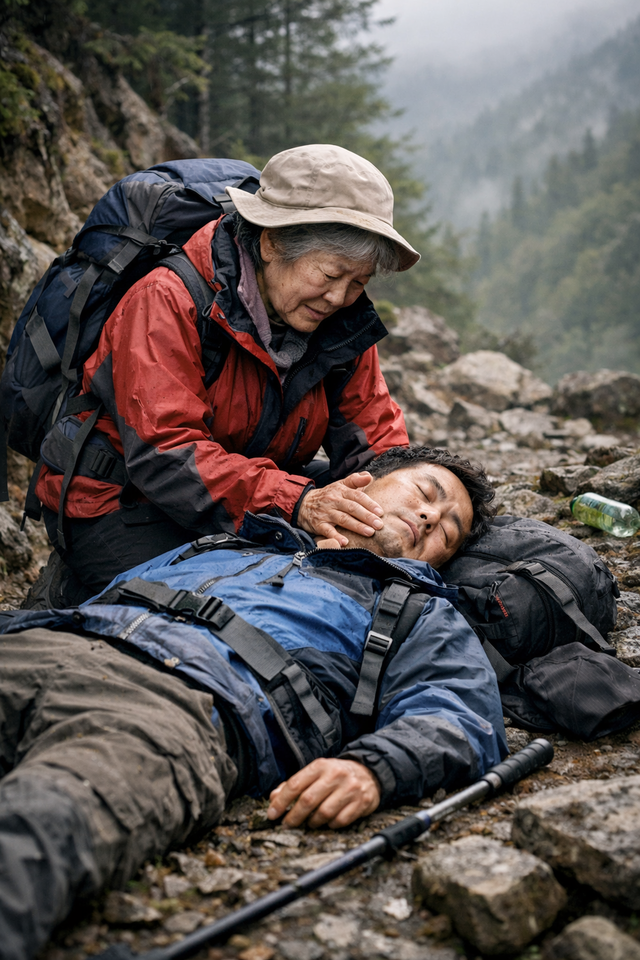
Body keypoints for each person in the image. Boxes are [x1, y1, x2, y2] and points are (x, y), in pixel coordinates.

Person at [0, 447, 503, 958]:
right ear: (360, 482)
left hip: (181, 709)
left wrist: (374, 769)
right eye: (425, 494)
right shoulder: (225, 542)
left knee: (36, 824)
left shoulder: (419, 612)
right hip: (45, 644)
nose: (429, 516)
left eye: (448, 530)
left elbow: (459, 712)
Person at [26, 143, 420, 609]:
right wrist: (297, 503)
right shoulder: (169, 298)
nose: (339, 298)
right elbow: (167, 453)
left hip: (243, 481)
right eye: (331, 274)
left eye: (359, 282)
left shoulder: (339, 323)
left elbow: (375, 435)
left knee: (353, 549)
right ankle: (73, 587)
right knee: (233, 609)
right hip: (125, 500)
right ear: (272, 242)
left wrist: (402, 505)